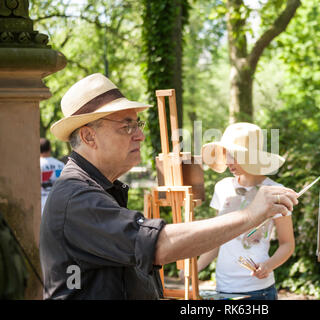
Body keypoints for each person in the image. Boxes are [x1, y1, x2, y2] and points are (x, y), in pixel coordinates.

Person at [39, 73, 299, 300]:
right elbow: (158, 245)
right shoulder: (76, 196)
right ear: (88, 136)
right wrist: (251, 214)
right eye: (126, 126)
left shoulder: (99, 188)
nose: (139, 135)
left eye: (136, 124)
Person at [197, 123, 295, 300]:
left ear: (251, 156)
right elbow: (216, 239)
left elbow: (287, 244)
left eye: (233, 155)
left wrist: (269, 265)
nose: (227, 161)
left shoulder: (276, 192)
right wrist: (194, 269)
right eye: (226, 154)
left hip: (259, 292)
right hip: (223, 288)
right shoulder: (222, 187)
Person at [40, 138, 65, 216]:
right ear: (50, 148)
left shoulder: (37, 165)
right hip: (60, 205)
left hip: (42, 206)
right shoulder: (60, 165)